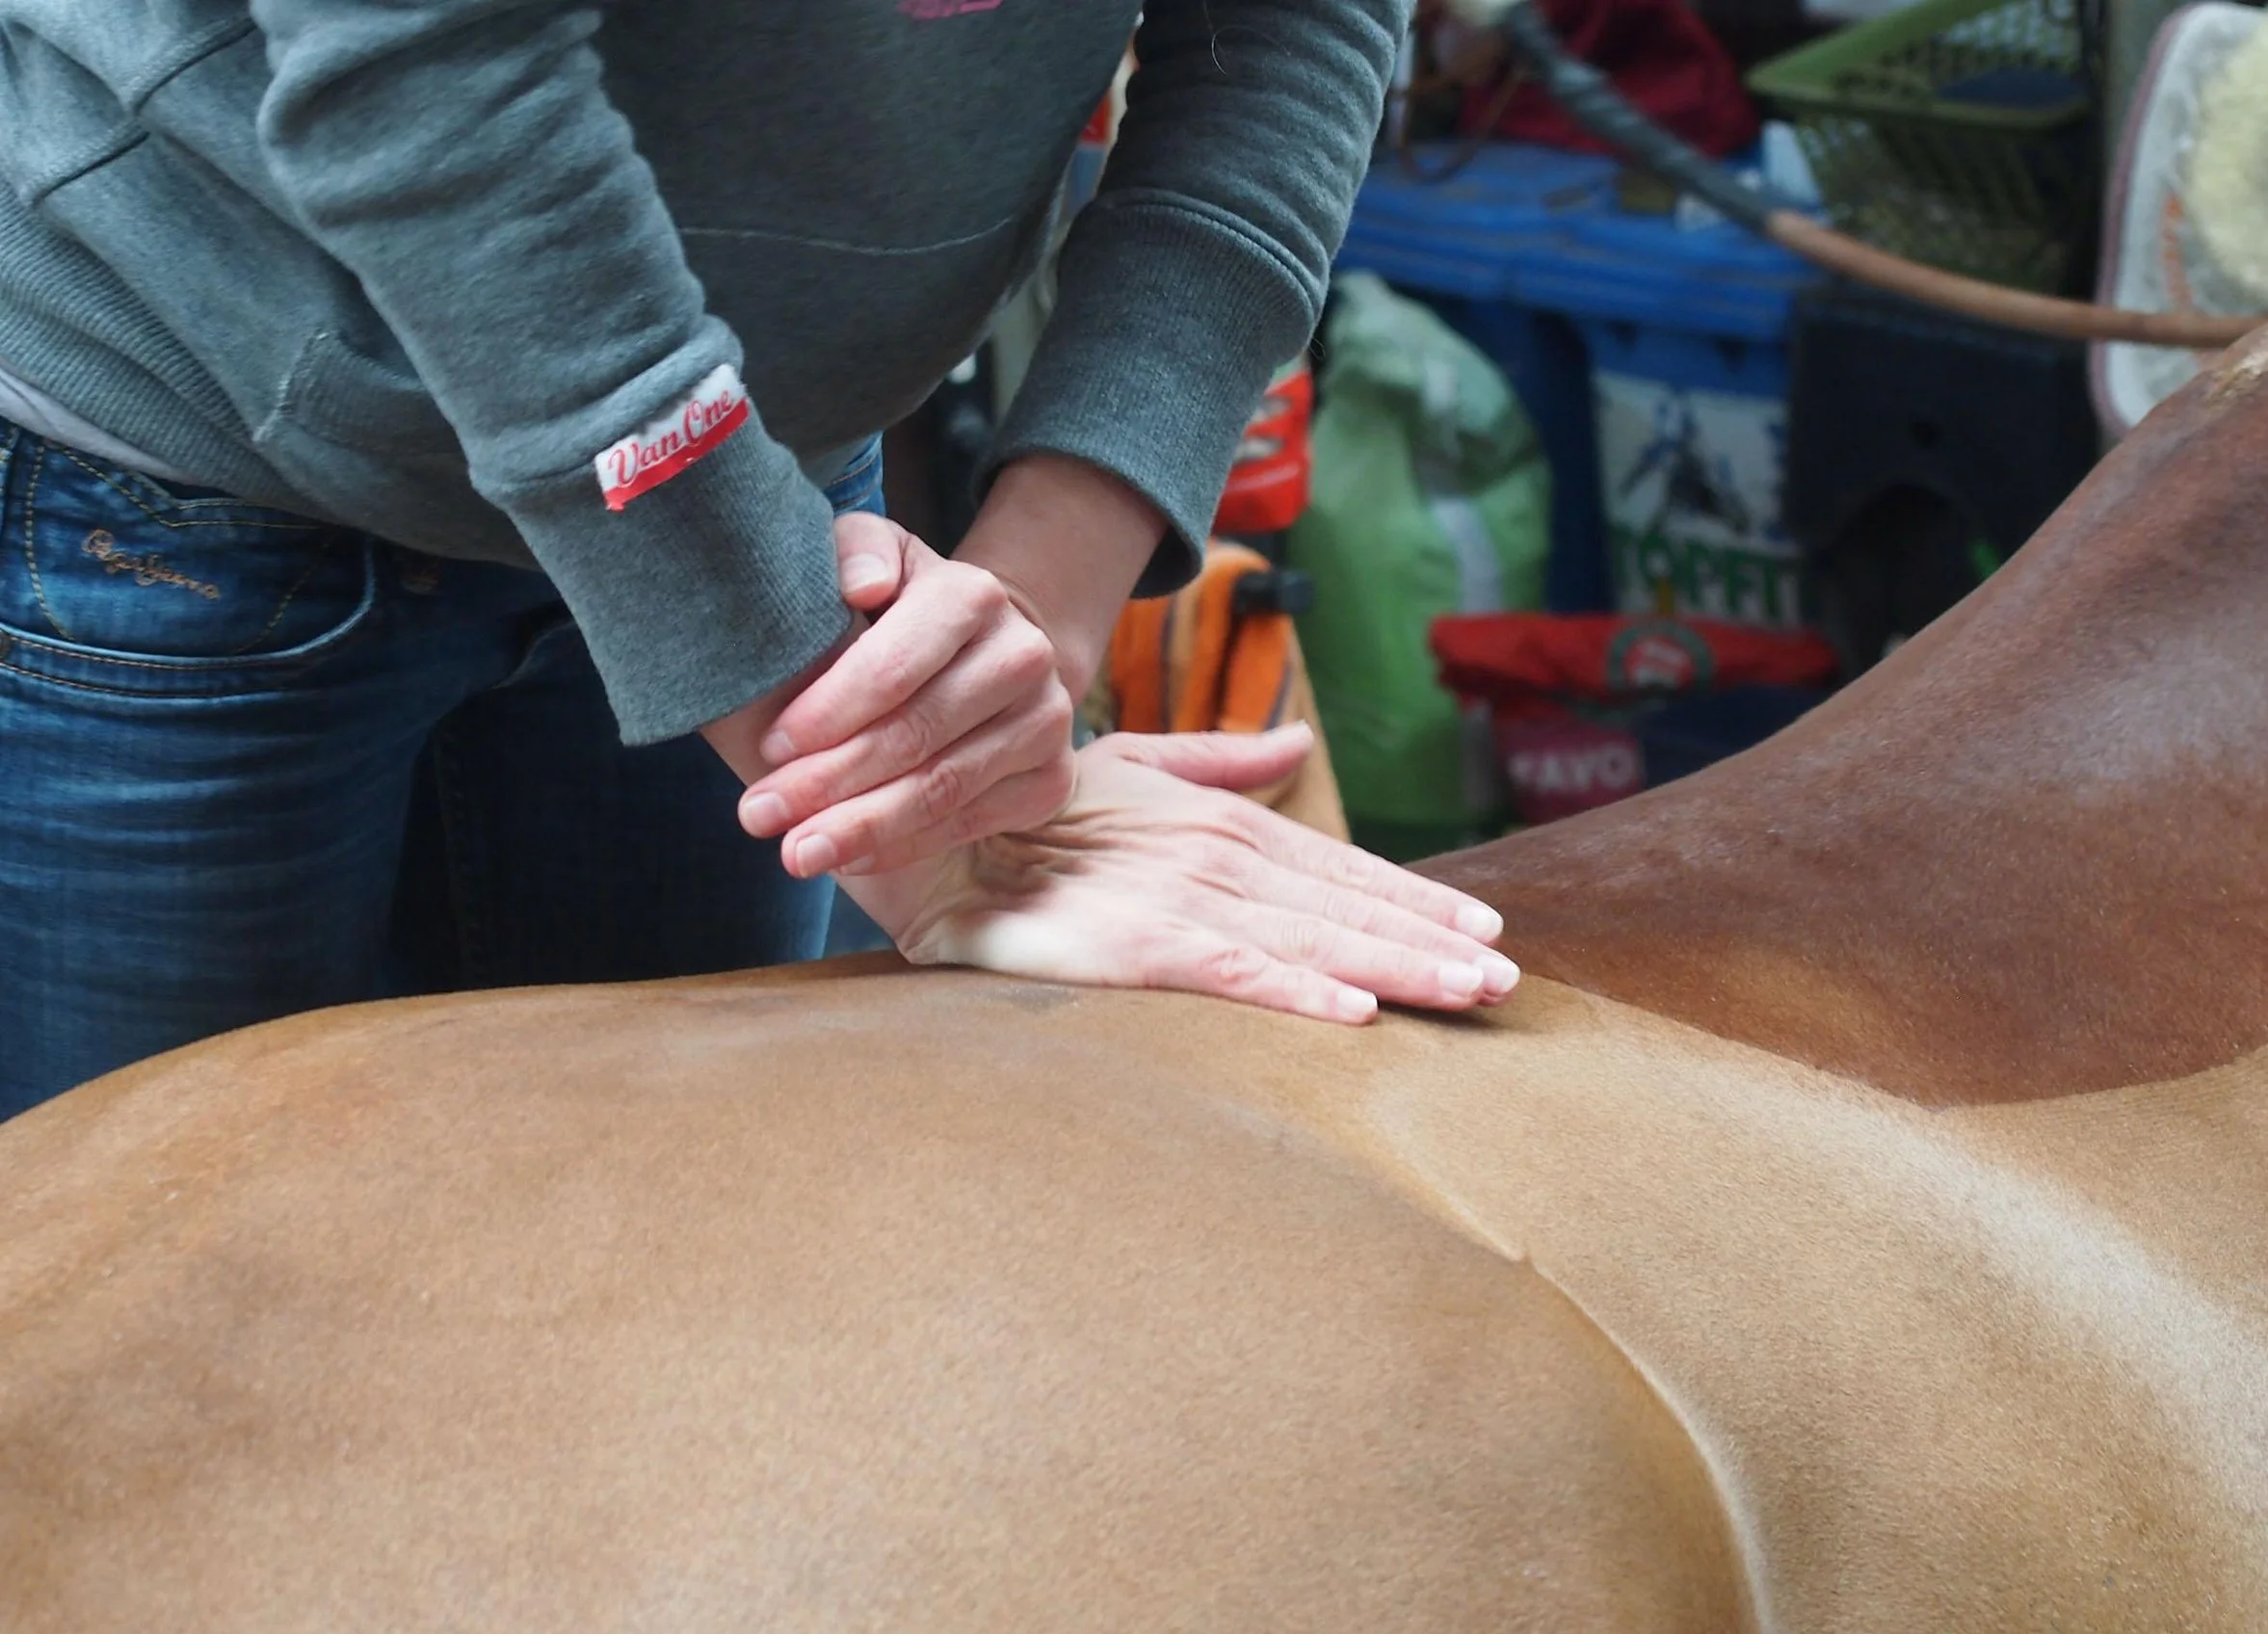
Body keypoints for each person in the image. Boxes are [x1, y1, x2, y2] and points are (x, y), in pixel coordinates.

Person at [0, 0, 1521, 1121]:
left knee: (669, 1323)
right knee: (161, 1401)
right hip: (172, 502)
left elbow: (1288, 29)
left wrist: (1023, 639)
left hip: (771, 511)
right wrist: (864, 755)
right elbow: (427, 84)